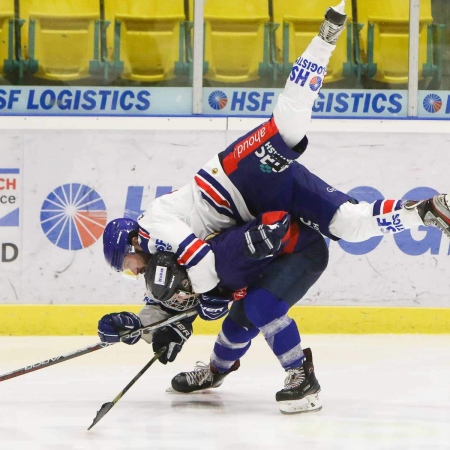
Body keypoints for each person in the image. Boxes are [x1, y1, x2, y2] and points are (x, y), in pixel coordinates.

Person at [102, 0, 450, 300]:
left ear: (129, 245)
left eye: (127, 268)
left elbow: (201, 259)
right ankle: (426, 211)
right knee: (348, 226)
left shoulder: (151, 227)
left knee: (288, 127)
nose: (134, 274)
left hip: (235, 175)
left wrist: (209, 297)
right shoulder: (156, 257)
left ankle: (324, 41)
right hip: (260, 205)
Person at [99, 211, 329, 414]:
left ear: (134, 245)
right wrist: (140, 326)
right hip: (255, 260)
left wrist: (218, 294)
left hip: (296, 249)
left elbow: (222, 261)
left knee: (260, 305)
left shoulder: (178, 237)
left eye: (128, 265)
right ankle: (215, 372)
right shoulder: (161, 256)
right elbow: (174, 299)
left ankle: (302, 376)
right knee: (236, 327)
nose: (136, 272)